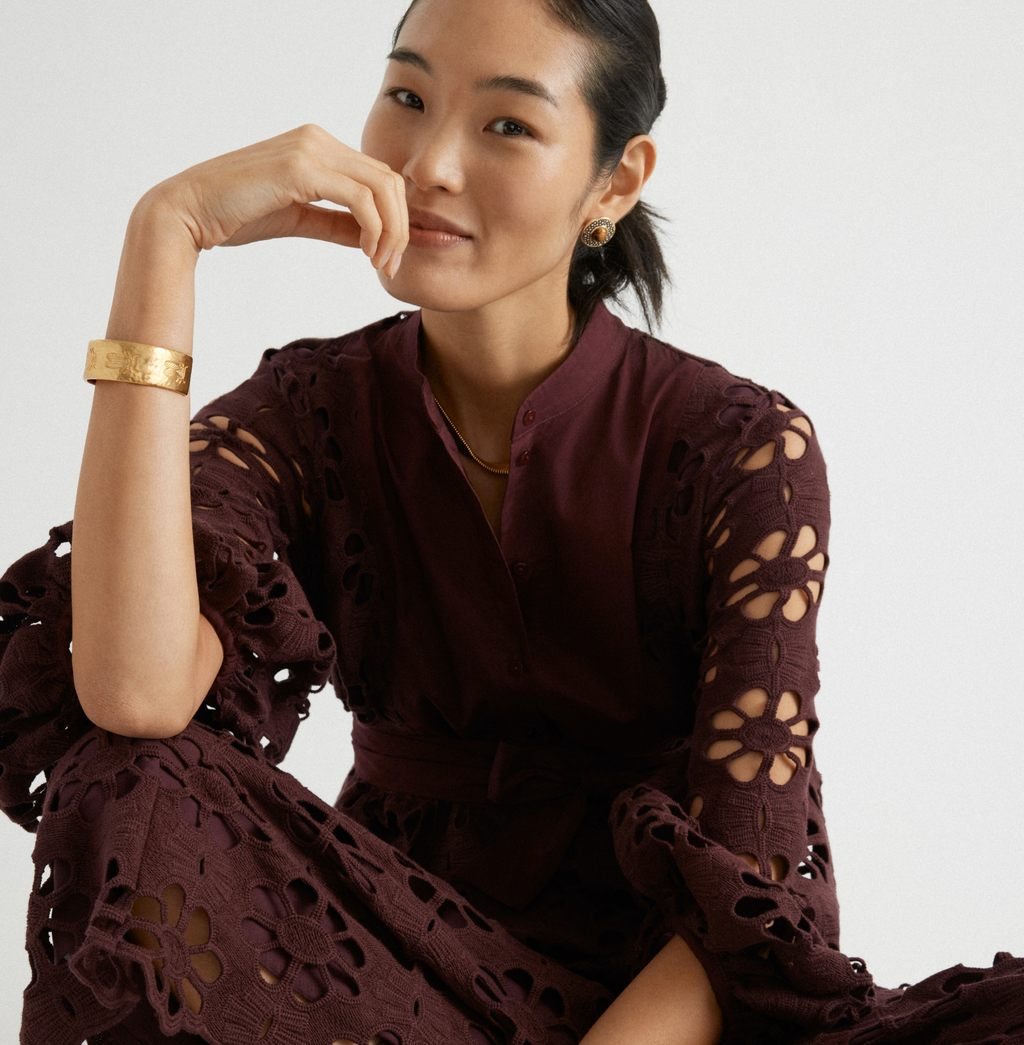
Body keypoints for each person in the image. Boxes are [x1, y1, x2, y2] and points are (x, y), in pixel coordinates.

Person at [1, 0, 1022, 1043]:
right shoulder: (305, 413)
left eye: (506, 125)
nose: (429, 163)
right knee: (126, 772)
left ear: (615, 182)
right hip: (385, 974)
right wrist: (167, 235)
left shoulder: (739, 445)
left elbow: (751, 881)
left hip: (667, 1002)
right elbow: (131, 692)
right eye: (406, 97)